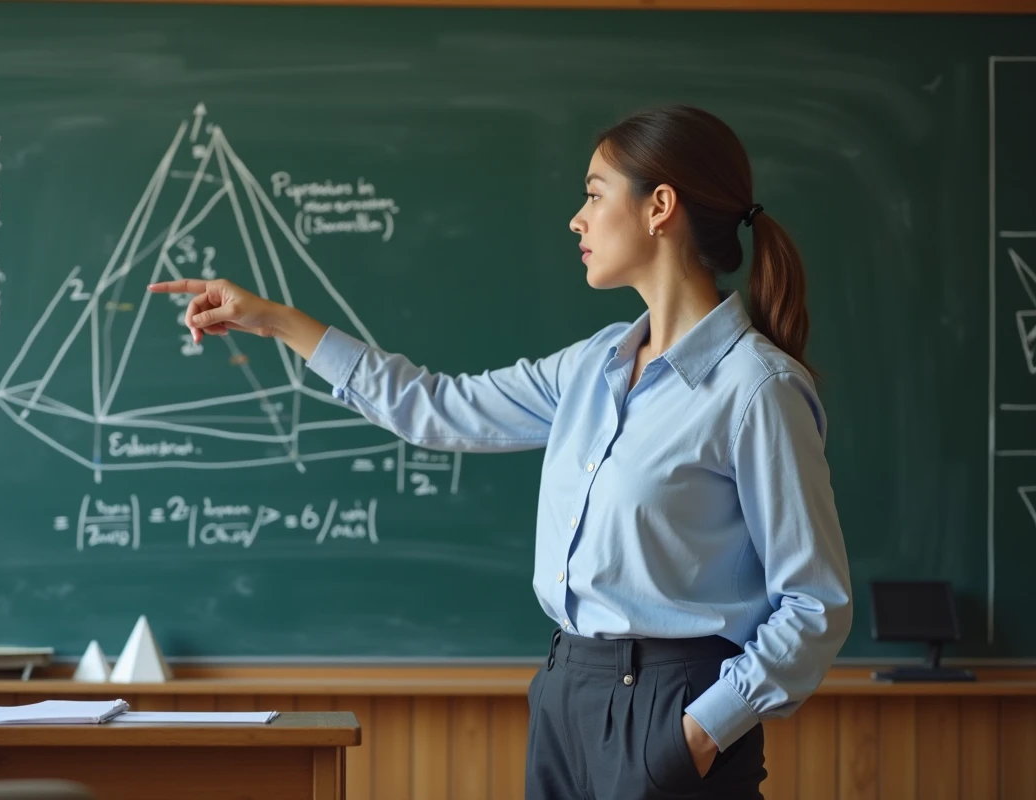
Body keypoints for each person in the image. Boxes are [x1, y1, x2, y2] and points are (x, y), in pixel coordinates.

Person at [148, 104, 853, 800]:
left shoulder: (757, 389)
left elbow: (815, 603)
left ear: (659, 206)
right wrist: (272, 320)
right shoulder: (593, 366)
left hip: (674, 709)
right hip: (566, 692)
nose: (578, 217)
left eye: (594, 192)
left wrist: (698, 734)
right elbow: (439, 408)